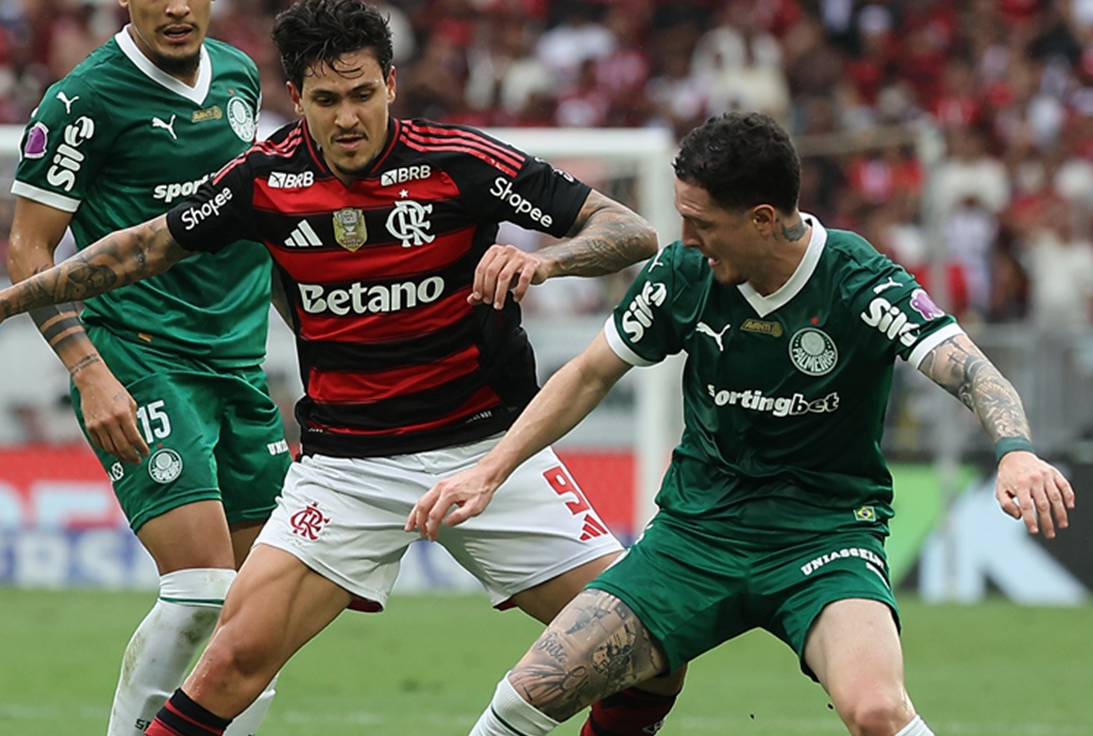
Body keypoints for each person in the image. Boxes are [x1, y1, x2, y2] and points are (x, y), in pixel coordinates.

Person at [0, 0, 686, 736]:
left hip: (488, 452)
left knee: (647, 650)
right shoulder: (267, 179)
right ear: (295, 95)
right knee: (229, 660)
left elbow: (627, 229)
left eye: (360, 94)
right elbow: (139, 247)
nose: (346, 118)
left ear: (389, 82)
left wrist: (550, 263)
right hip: (346, 466)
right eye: (324, 100)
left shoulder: (461, 161)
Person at [408, 111, 1078, 736]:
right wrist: (490, 470)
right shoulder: (684, 275)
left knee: (877, 710)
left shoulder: (859, 282)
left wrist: (1015, 450)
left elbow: (973, 371)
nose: (685, 240)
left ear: (762, 219)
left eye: (701, 224)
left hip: (823, 538)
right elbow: (588, 374)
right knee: (531, 690)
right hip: (696, 536)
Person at [4, 0, 290, 734]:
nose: (175, 5)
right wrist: (90, 372)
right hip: (141, 356)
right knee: (205, 587)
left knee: (262, 613)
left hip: (239, 365)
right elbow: (29, 249)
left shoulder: (237, 74)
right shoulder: (82, 101)